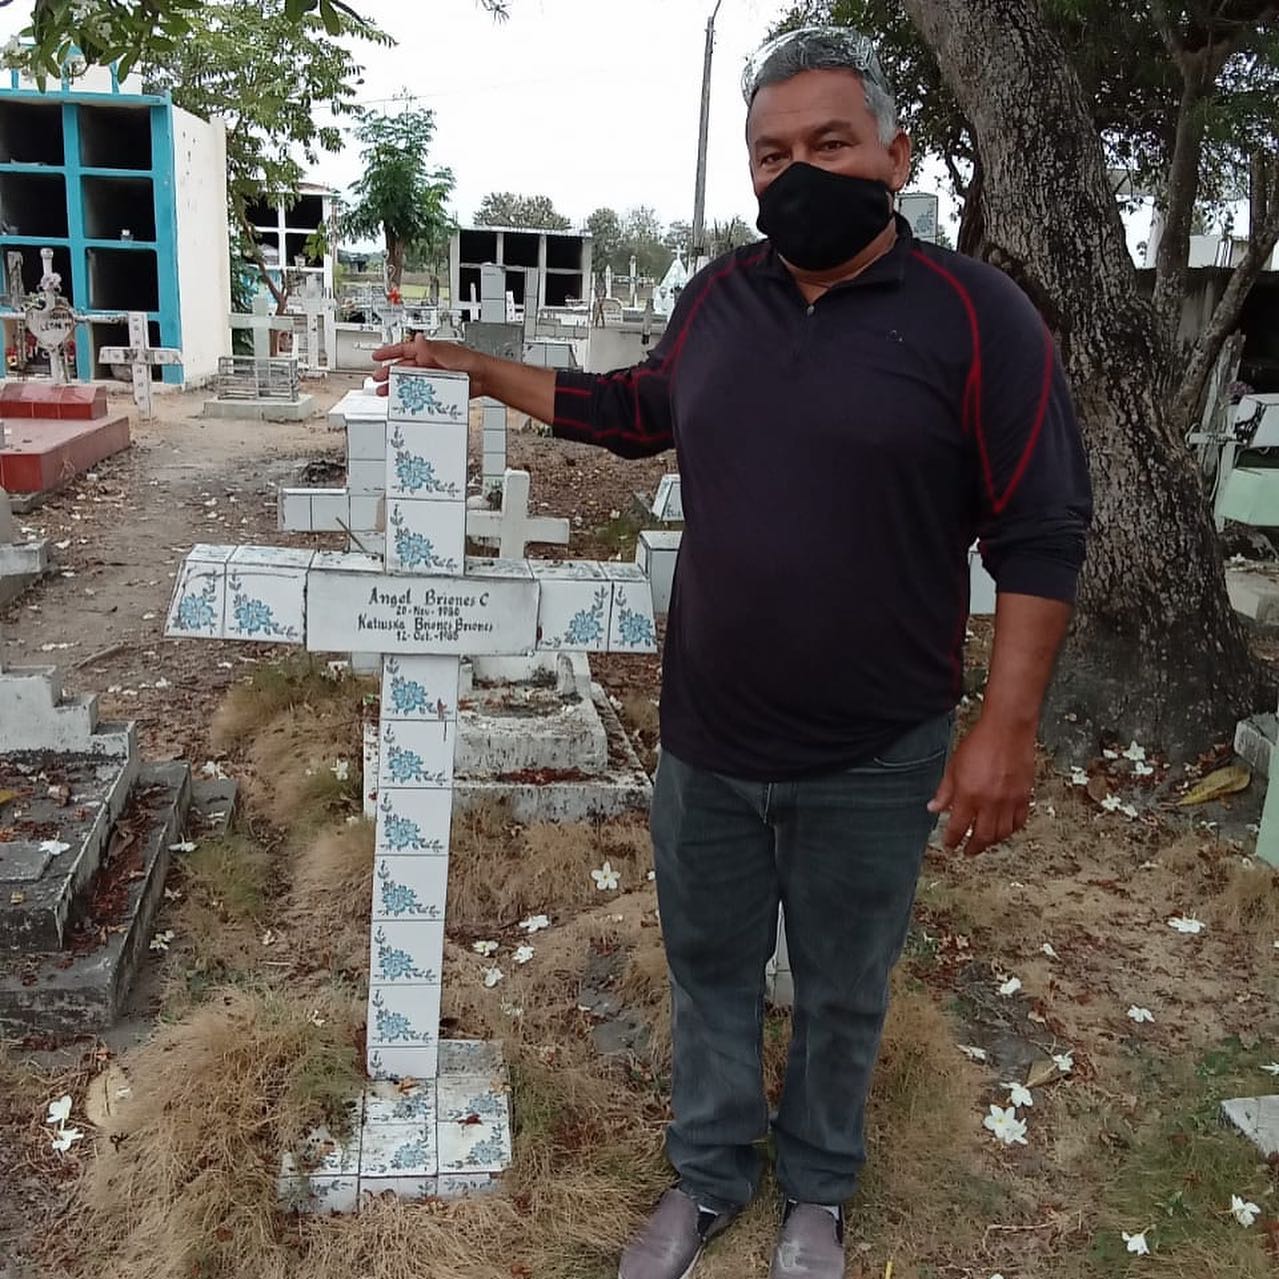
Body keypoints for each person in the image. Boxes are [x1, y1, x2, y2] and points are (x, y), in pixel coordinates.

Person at [374, 26, 1092, 1279]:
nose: (798, 172)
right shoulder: (720, 297)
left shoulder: (978, 318)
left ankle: (817, 1192)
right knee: (708, 971)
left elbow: (1040, 529)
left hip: (876, 748)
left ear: (895, 155)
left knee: (843, 986)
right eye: (772, 154)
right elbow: (632, 409)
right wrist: (479, 371)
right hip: (709, 735)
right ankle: (708, 1175)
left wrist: (1006, 728)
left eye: (830, 143)